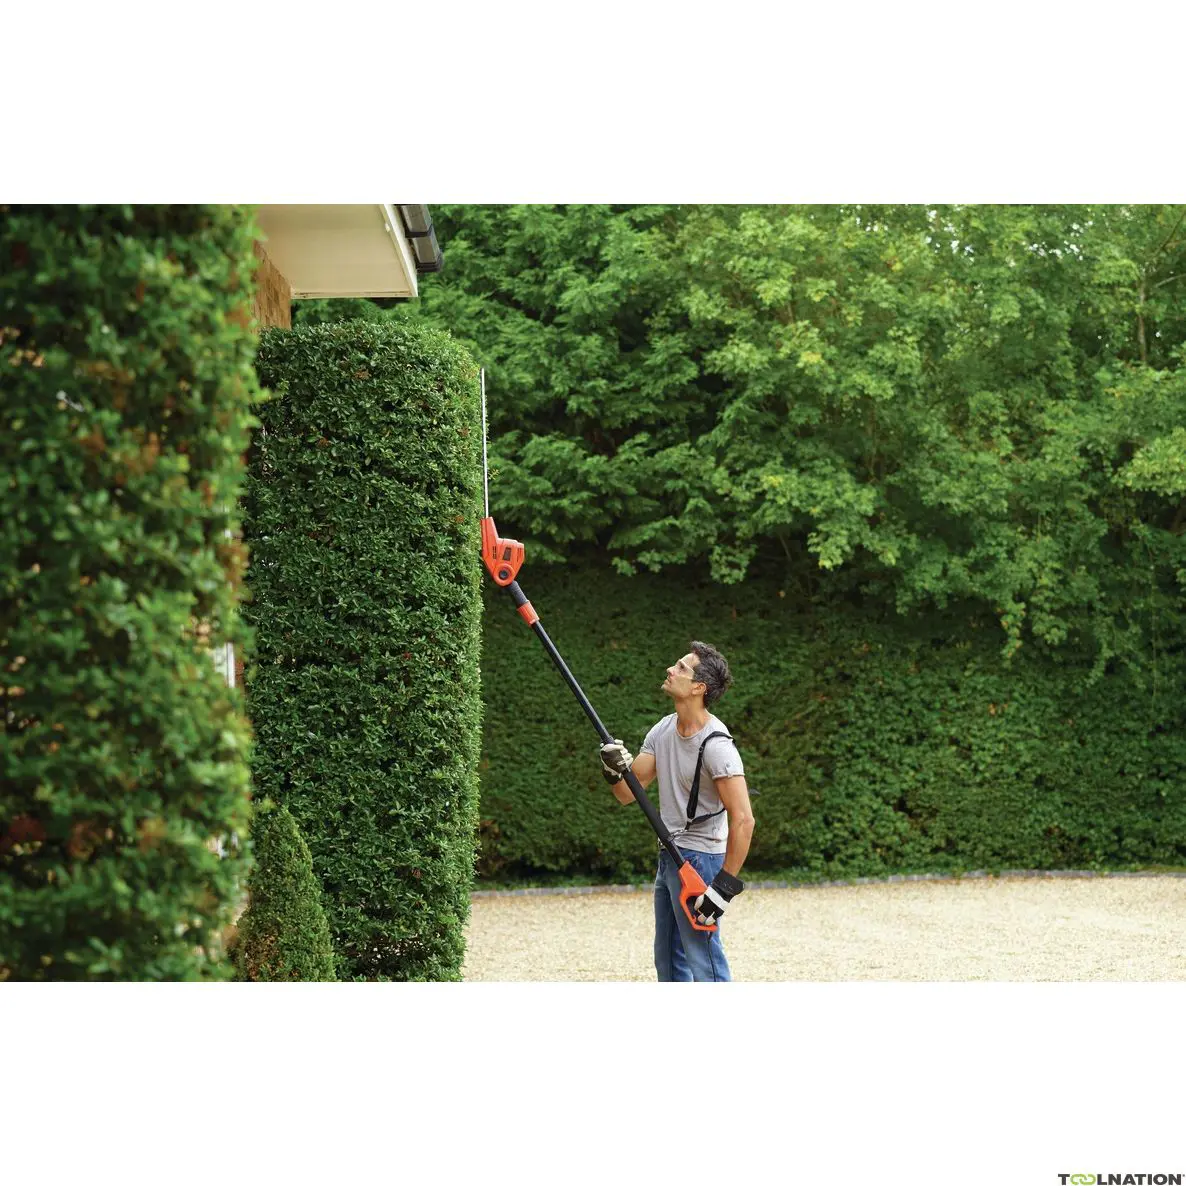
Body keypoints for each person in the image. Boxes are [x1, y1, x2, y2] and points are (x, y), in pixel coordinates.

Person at [598, 640, 754, 981]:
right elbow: (626, 794)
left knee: (704, 962)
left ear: (699, 687)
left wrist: (722, 889)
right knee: (668, 961)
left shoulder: (716, 745)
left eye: (682, 667)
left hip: (702, 860)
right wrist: (612, 769)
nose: (671, 669)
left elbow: (744, 819)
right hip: (670, 855)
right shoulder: (664, 729)